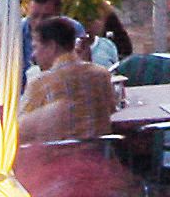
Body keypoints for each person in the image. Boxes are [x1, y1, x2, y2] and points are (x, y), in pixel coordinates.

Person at [11, 15, 137, 194]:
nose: (33, 55)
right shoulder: (102, 75)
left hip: (55, 178)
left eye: (36, 47)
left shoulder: (41, 84)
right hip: (103, 169)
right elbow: (110, 110)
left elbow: (19, 131)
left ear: (52, 46)